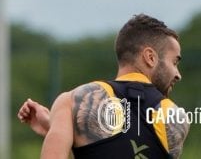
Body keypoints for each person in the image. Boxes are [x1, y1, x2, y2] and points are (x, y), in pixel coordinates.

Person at [18, 14, 190, 159]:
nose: (178, 74)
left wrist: (58, 127)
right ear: (150, 57)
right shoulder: (176, 118)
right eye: (174, 62)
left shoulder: (73, 101)